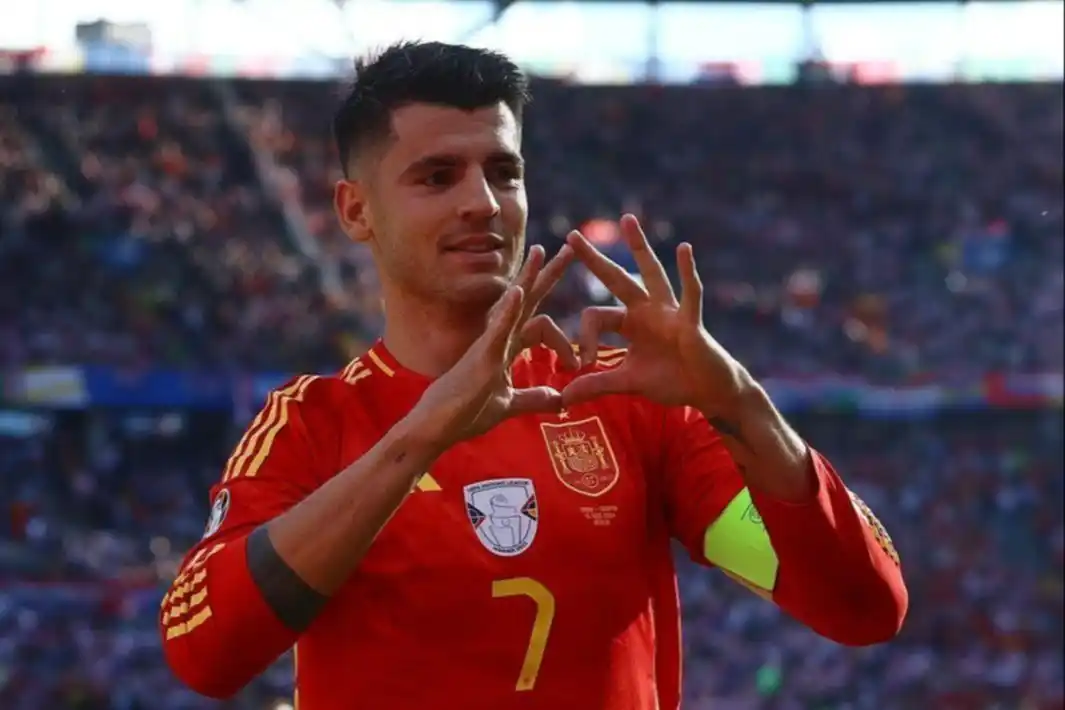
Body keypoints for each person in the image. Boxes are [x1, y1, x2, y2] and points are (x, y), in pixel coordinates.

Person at [159, 41, 907, 710]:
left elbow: (863, 607)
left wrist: (741, 402)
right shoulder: (311, 421)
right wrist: (419, 438)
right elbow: (205, 653)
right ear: (356, 210)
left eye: (503, 172)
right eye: (437, 177)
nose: (481, 203)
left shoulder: (626, 402)